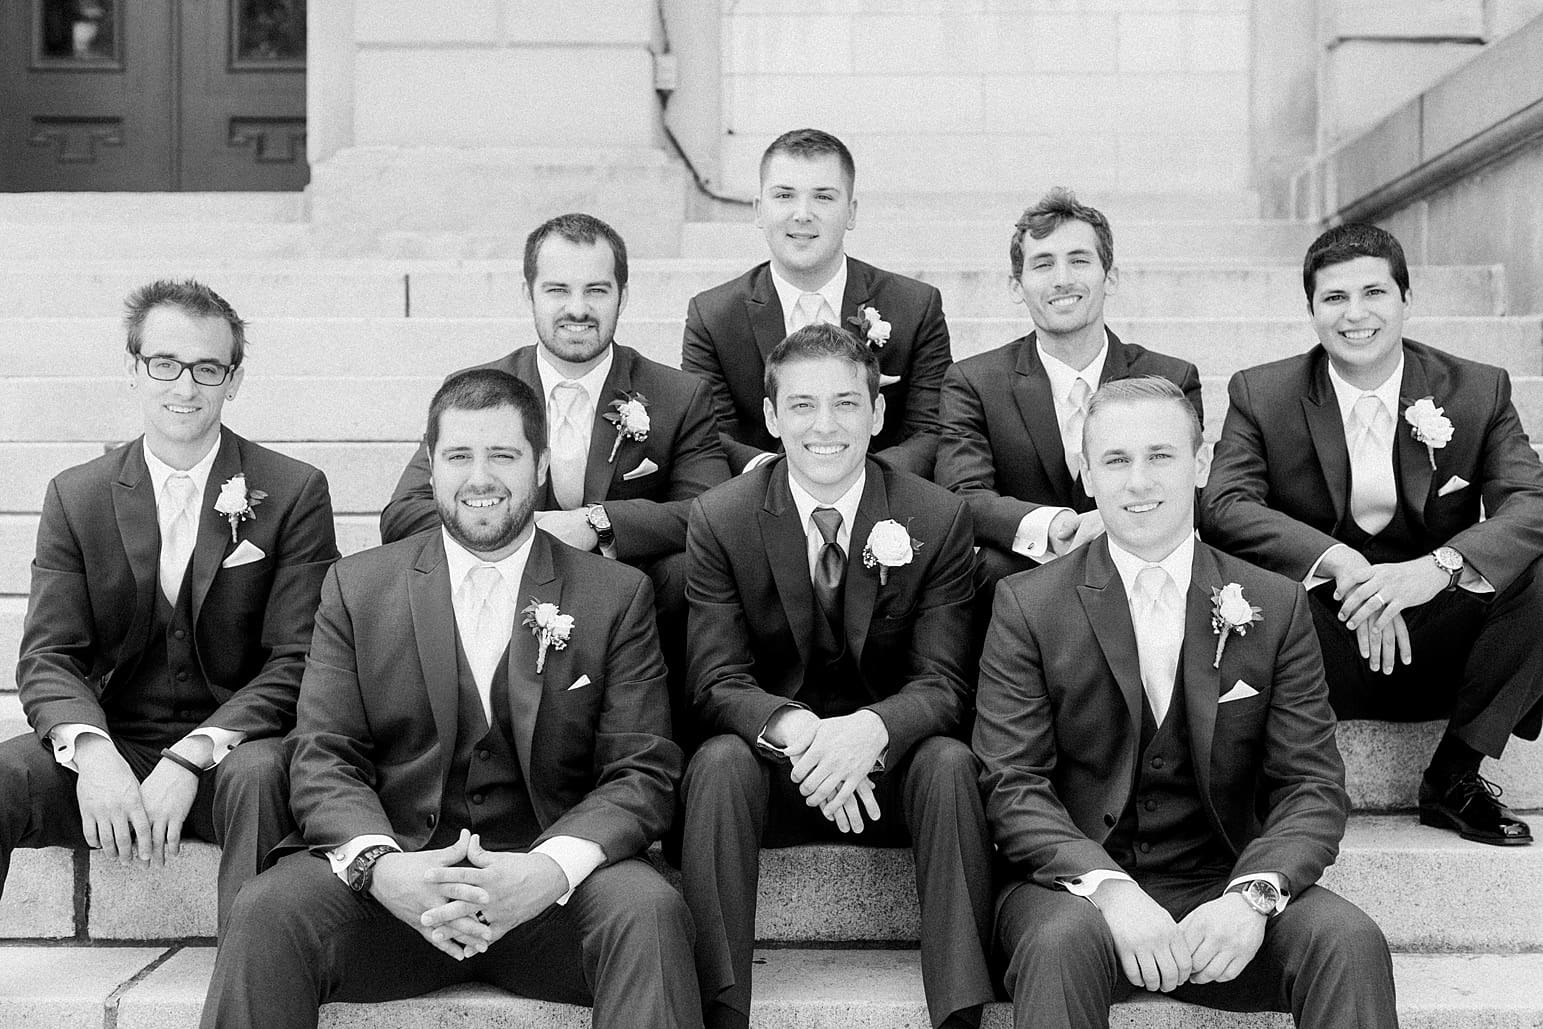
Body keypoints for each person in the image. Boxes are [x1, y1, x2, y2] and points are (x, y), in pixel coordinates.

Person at [202, 369, 700, 1029]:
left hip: (550, 899)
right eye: (460, 455)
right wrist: (382, 868)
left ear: (542, 464)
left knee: (650, 910)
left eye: (504, 455)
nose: (480, 476)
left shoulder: (615, 593)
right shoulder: (357, 587)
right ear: (431, 468)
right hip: (397, 897)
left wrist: (551, 868)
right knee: (267, 909)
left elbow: (641, 768)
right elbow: (322, 752)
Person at [976, 376, 1398, 1029]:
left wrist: (1252, 897)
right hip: (1075, 892)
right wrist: (1111, 890)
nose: (1138, 480)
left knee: (1348, 940)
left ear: (1199, 463)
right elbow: (1011, 784)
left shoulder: (1276, 604)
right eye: (1115, 460)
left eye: (1160, 455)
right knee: (1060, 944)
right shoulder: (1027, 605)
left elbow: (1311, 786)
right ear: (1086, 474)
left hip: (1218, 885)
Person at [680, 323, 992, 1029]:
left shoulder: (935, 517)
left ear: (878, 414)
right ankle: (720, 1012)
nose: (826, 426)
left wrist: (871, 731)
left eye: (847, 403)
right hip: (773, 776)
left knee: (949, 762)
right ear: (770, 417)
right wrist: (805, 735)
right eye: (802, 405)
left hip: (893, 778)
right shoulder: (720, 518)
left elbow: (944, 681)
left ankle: (960, 1016)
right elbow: (714, 678)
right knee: (718, 763)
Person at [2, 279, 338, 934]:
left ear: (232, 379)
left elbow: (300, 659)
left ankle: (249, 977)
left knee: (263, 774)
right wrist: (93, 752)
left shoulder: (294, 491)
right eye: (165, 364)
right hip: (115, 752)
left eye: (207, 368)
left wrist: (191, 756)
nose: (185, 388)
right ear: (134, 369)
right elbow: (47, 657)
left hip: (232, 759)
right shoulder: (77, 496)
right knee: (4, 772)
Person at [1201, 223, 1543, 846]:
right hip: (1319, 641)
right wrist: (1338, 561)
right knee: (1223, 582)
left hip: (1436, 633)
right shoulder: (1263, 393)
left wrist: (1434, 569)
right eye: (1334, 298)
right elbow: (1224, 503)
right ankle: (1282, 778)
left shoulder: (1477, 389)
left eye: (1374, 293)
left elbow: (1532, 501)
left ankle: (1455, 776)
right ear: (1311, 312)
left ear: (1405, 300)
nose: (1355, 314)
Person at [380, 212, 730, 739]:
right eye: (557, 289)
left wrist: (597, 524)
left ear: (622, 295)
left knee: (685, 573)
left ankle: (662, 742)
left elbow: (710, 514)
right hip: (502, 591)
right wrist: (520, 531)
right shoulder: (477, 393)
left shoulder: (678, 397)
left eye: (596, 290)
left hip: (625, 608)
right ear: (530, 294)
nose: (577, 309)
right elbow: (403, 515)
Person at [937, 188, 1201, 587]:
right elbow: (962, 494)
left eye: (1079, 261)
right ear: (1016, 286)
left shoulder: (1170, 378)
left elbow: (1193, 492)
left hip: (1141, 573)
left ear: (1109, 277)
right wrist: (1053, 525)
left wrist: (1110, 517)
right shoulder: (974, 382)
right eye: (1043, 265)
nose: (1063, 280)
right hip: (1024, 584)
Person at [682, 128, 952, 478]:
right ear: (759, 210)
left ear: (851, 213)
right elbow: (710, 434)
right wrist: (783, 480)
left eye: (823, 197)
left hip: (885, 503)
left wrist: (861, 482)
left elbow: (930, 429)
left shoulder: (915, 307)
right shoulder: (713, 316)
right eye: (784, 196)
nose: (802, 214)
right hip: (758, 508)